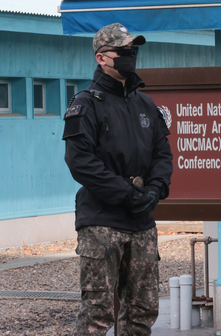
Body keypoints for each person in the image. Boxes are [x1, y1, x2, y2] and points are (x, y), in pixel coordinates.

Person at [62, 23, 173, 335]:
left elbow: (162, 154)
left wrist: (155, 190)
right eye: (123, 51)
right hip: (102, 222)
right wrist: (127, 194)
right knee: (98, 314)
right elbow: (80, 162)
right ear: (101, 58)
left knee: (143, 311)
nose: (131, 55)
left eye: (133, 50)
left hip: (142, 223)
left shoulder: (145, 104)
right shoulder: (86, 104)